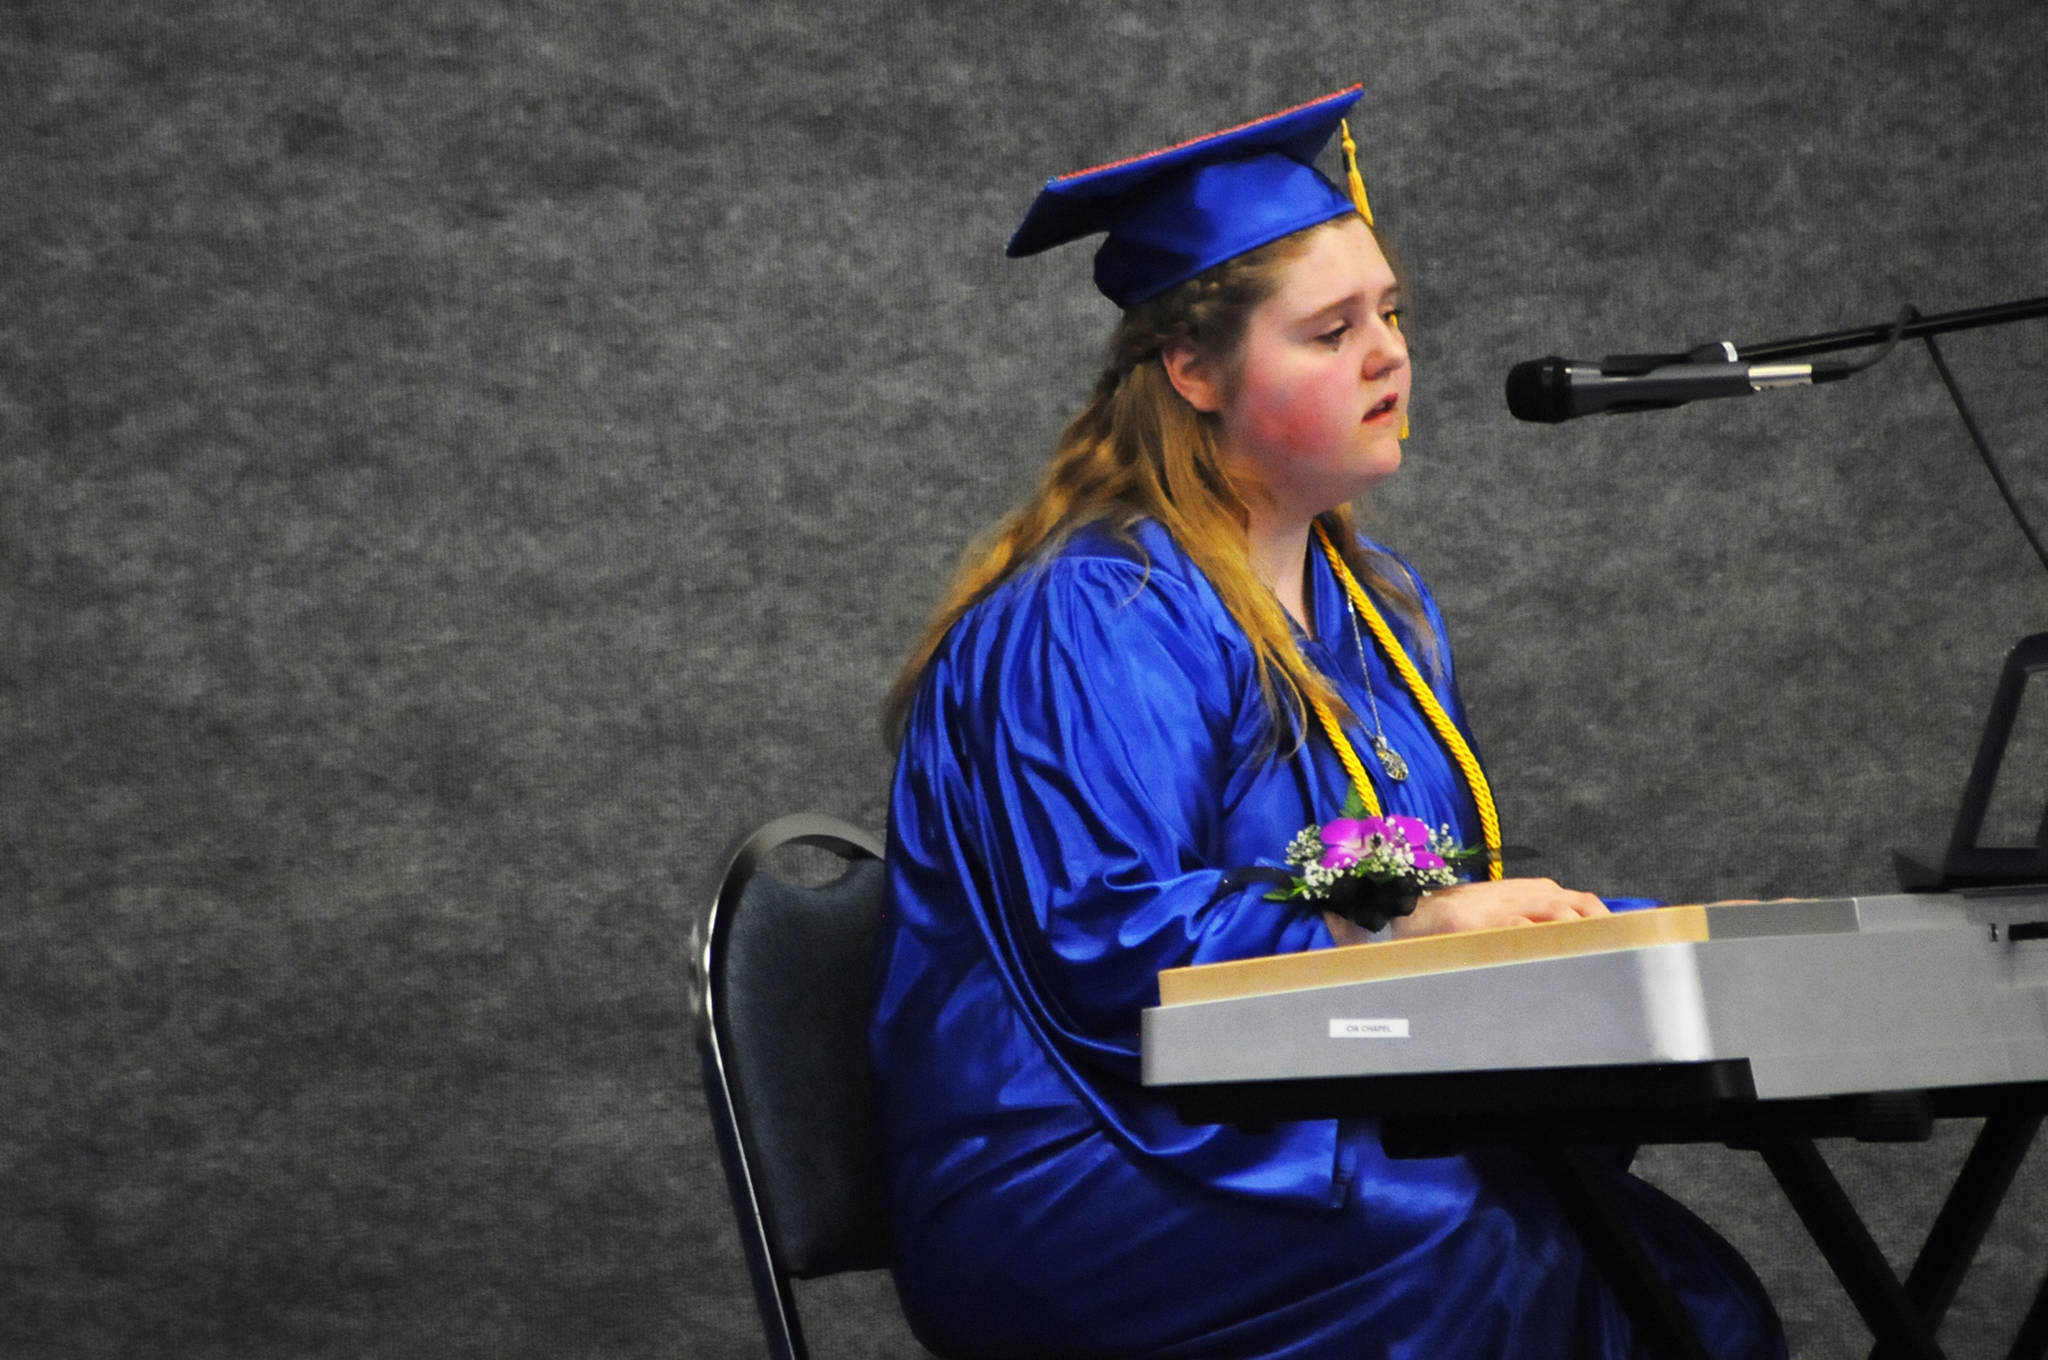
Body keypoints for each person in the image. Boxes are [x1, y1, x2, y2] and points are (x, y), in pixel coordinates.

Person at [870, 86, 1785, 1359]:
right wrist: (1407, 916)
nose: (1388, 356)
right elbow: (1108, 942)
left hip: (1298, 1116)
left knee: (1676, 1282)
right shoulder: (1093, 612)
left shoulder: (1378, 609)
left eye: (1391, 315)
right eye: (1328, 330)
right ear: (1192, 370)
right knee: (1503, 1252)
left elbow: (1398, 888)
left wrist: (1639, 945)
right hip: (1075, 1155)